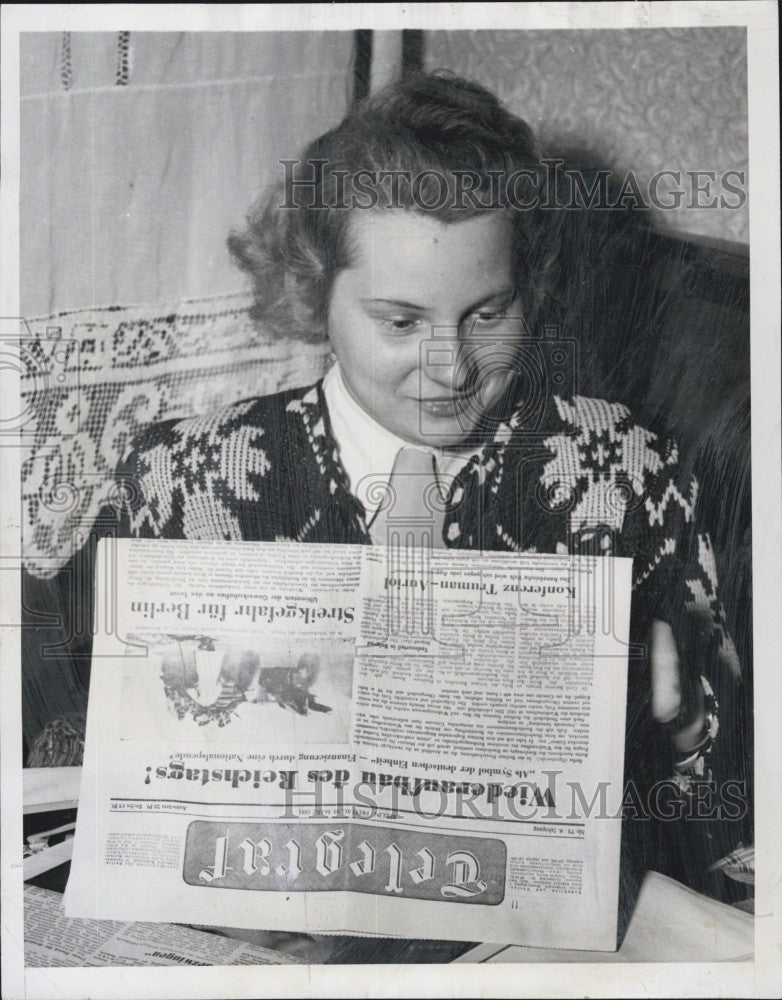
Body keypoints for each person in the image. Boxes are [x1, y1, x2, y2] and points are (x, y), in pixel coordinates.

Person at [111, 72, 742, 955]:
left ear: (532, 286)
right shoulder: (186, 478)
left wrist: (676, 729)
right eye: (400, 322)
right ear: (312, 291)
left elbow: (724, 810)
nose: (450, 368)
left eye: (487, 313)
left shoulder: (629, 473)